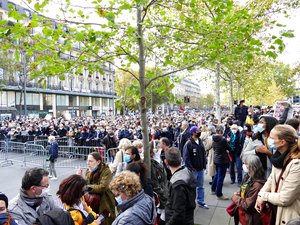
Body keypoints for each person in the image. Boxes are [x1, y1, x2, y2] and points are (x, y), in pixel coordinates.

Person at [255, 125, 300, 225]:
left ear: (282, 142)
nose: (269, 140)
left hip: (288, 216)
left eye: (272, 138)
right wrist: (260, 195)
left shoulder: (296, 165)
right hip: (276, 209)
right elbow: (271, 179)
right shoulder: (279, 157)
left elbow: (285, 198)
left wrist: (263, 196)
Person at [77, 152, 116, 225]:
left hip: (105, 200)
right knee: (93, 219)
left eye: (90, 161)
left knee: (105, 220)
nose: (88, 163)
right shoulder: (89, 170)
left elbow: (102, 187)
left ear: (98, 162)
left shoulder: (106, 171)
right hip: (92, 201)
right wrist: (79, 177)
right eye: (87, 161)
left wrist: (87, 187)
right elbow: (86, 183)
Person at [165, 147, 196, 225]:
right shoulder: (187, 172)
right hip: (188, 218)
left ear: (166, 162)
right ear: (181, 159)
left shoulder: (177, 185)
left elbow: (178, 213)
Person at [231, 155, 266, 225]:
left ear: (252, 167)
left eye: (245, 163)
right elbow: (246, 191)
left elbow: (247, 206)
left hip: (251, 219)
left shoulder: (257, 186)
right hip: (244, 216)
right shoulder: (248, 176)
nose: (243, 165)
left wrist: (235, 198)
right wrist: (239, 194)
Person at [183, 126, 208, 209]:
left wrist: (204, 164)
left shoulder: (200, 142)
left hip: (201, 169)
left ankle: (201, 202)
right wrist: (191, 168)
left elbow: (203, 154)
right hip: (193, 171)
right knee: (191, 188)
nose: (199, 132)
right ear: (193, 133)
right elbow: (186, 158)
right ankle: (190, 203)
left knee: (200, 187)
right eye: (197, 131)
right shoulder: (188, 144)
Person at [211, 125, 231, 200]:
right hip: (222, 159)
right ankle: (219, 194)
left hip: (216, 159)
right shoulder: (223, 139)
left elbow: (214, 148)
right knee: (221, 177)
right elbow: (229, 148)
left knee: (217, 174)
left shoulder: (213, 138)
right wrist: (228, 141)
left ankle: (213, 189)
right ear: (222, 132)